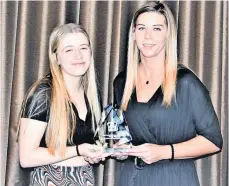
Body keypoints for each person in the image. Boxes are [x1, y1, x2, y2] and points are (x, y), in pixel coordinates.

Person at [113, 1, 223, 186]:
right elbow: (121, 133)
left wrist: (163, 152)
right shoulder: (121, 83)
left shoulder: (186, 82)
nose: (148, 36)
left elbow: (213, 141)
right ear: (133, 34)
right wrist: (120, 148)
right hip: (131, 178)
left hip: (174, 178)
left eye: (156, 29)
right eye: (141, 28)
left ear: (168, 34)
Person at [17, 23, 107, 186]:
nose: (78, 56)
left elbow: (88, 144)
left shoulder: (92, 94)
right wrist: (79, 150)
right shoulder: (43, 94)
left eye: (83, 48)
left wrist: (98, 151)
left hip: (85, 178)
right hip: (50, 179)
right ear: (56, 57)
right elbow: (26, 157)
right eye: (69, 50)